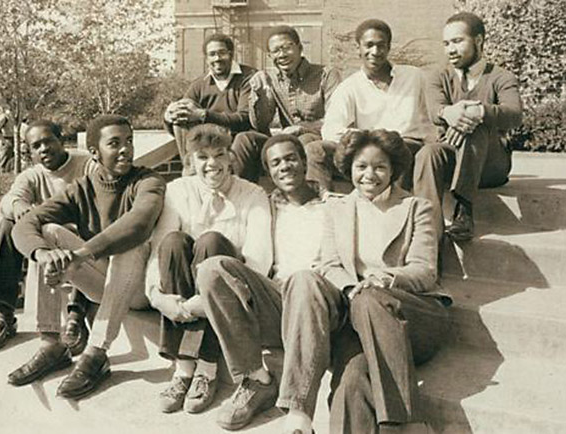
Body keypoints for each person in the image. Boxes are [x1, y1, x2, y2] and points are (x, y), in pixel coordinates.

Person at [280, 129, 451, 434]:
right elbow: (330, 264)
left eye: (379, 167)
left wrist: (385, 278)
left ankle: (406, 422)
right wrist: (349, 288)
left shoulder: (417, 208)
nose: (369, 175)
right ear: (349, 168)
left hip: (413, 316)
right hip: (359, 316)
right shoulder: (338, 208)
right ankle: (298, 411)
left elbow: (425, 271)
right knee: (350, 380)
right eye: (361, 166)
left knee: (371, 296)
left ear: (394, 170)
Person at [8, 115, 166, 400]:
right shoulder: (82, 188)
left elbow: (138, 225)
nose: (125, 150)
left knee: (129, 245)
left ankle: (96, 353)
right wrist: (44, 254)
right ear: (94, 152)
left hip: (142, 289)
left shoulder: (148, 180)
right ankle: (51, 344)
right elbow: (24, 225)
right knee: (49, 232)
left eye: (129, 141)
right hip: (105, 283)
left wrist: (82, 254)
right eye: (114, 143)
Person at [195, 134, 333, 430]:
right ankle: (256, 378)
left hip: (320, 301)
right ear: (269, 172)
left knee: (304, 279)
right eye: (275, 163)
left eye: (290, 158)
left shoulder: (335, 205)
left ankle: (298, 414)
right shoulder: (267, 205)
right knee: (211, 269)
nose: (284, 167)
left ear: (305, 162)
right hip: (278, 300)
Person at [145, 123, 272, 415]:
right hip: (184, 291)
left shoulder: (252, 194)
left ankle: (207, 368)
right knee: (174, 241)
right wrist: (156, 296)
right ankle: (183, 369)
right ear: (190, 162)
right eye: (202, 157)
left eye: (219, 155)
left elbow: (258, 261)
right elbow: (160, 250)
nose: (212, 164)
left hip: (234, 295)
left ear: (230, 158)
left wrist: (210, 301)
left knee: (211, 243)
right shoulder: (177, 191)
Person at [0, 120, 97, 355]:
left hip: (82, 241)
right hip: (48, 242)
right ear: (30, 152)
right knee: (9, 224)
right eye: (36, 146)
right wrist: (19, 205)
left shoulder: (85, 164)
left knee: (86, 226)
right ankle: (4, 314)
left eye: (48, 141)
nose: (43, 149)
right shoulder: (32, 176)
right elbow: (7, 202)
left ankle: (76, 316)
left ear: (61, 140)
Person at [414, 12, 523, 241]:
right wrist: (448, 112)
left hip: (491, 165)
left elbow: (514, 115)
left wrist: (480, 111)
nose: (450, 50)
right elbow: (435, 111)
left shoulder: (501, 76)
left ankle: (463, 210)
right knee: (428, 153)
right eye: (446, 43)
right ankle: (424, 226)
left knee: (476, 123)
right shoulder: (437, 76)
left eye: (457, 41)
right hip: (453, 156)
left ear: (479, 41)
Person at [309, 19, 433, 191]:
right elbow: (330, 129)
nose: (375, 51)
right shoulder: (350, 87)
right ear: (358, 48)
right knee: (315, 150)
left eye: (381, 46)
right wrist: (366, 138)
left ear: (389, 48)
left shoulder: (414, 77)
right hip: (367, 148)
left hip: (407, 147)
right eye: (369, 45)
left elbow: (434, 113)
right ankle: (323, 206)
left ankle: (394, 208)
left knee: (397, 148)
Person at [241, 25, 341, 182]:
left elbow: (334, 121)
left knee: (303, 141)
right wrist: (259, 94)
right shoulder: (270, 80)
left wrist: (301, 129)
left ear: (300, 48)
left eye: (287, 47)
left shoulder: (326, 75)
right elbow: (261, 125)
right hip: (284, 139)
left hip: (316, 140)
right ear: (269, 55)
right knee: (245, 139)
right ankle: (240, 197)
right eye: (275, 51)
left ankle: (312, 199)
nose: (282, 55)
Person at [164, 33, 257, 178]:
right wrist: (169, 115)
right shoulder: (200, 84)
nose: (217, 59)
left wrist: (202, 115)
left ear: (231, 54)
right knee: (183, 109)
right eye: (212, 54)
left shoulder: (249, 77)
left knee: (241, 139)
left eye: (222, 53)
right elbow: (179, 122)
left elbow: (245, 120)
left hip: (242, 141)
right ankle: (191, 171)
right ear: (207, 59)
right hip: (211, 142)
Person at [0, 108, 15, 173]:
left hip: (14, 138)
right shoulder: (4, 117)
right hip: (7, 139)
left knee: (12, 162)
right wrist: (4, 140)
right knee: (4, 162)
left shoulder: (14, 116)